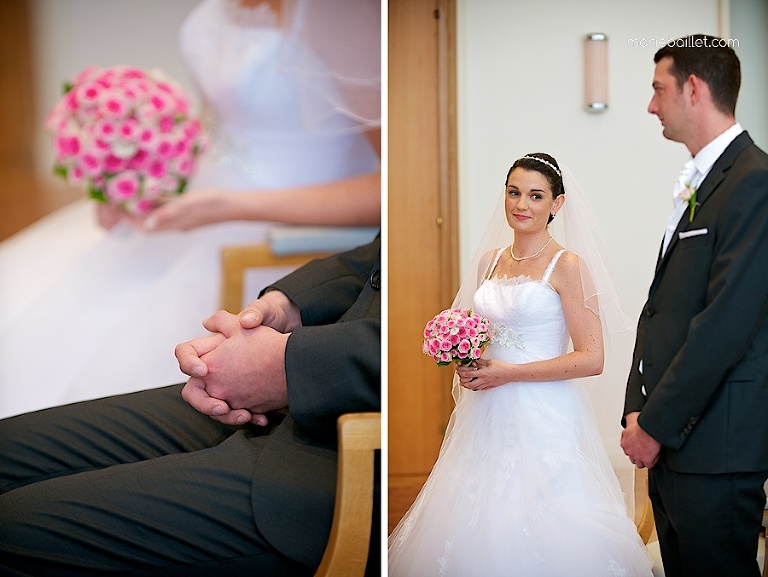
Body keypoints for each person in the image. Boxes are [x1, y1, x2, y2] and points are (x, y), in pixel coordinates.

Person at [0, 0, 380, 419]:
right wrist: (136, 181)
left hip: (281, 220)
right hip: (205, 192)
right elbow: (217, 124)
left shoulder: (340, 13)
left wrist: (233, 207)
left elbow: (394, 188)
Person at [0, 235, 381, 576]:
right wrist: (286, 306)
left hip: (339, 463)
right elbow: (381, 255)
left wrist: (286, 366)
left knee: (13, 531)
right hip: (287, 405)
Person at [388, 154, 653, 576]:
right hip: (486, 410)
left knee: (544, 514)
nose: (521, 205)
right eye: (514, 192)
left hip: (543, 412)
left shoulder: (566, 266)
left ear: (557, 204)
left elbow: (592, 358)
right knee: (475, 510)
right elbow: (486, 332)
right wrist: (467, 359)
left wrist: (507, 373)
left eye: (535, 195)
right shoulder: (489, 262)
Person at [621, 34, 768, 577]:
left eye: (659, 89)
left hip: (716, 445)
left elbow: (725, 323)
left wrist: (653, 425)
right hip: (679, 444)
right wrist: (636, 404)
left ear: (694, 88)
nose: (651, 105)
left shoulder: (754, 182)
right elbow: (662, 307)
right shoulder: (704, 181)